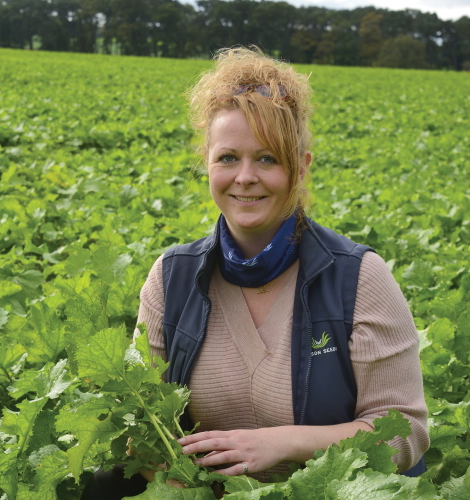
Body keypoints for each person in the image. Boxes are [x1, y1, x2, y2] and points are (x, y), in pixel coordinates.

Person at [81, 46, 429, 499]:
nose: (245, 176)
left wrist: (285, 443)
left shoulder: (358, 278)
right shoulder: (171, 279)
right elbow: (138, 426)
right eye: (228, 158)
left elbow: (404, 432)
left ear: (300, 168)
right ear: (206, 163)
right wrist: (179, 484)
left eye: (267, 159)